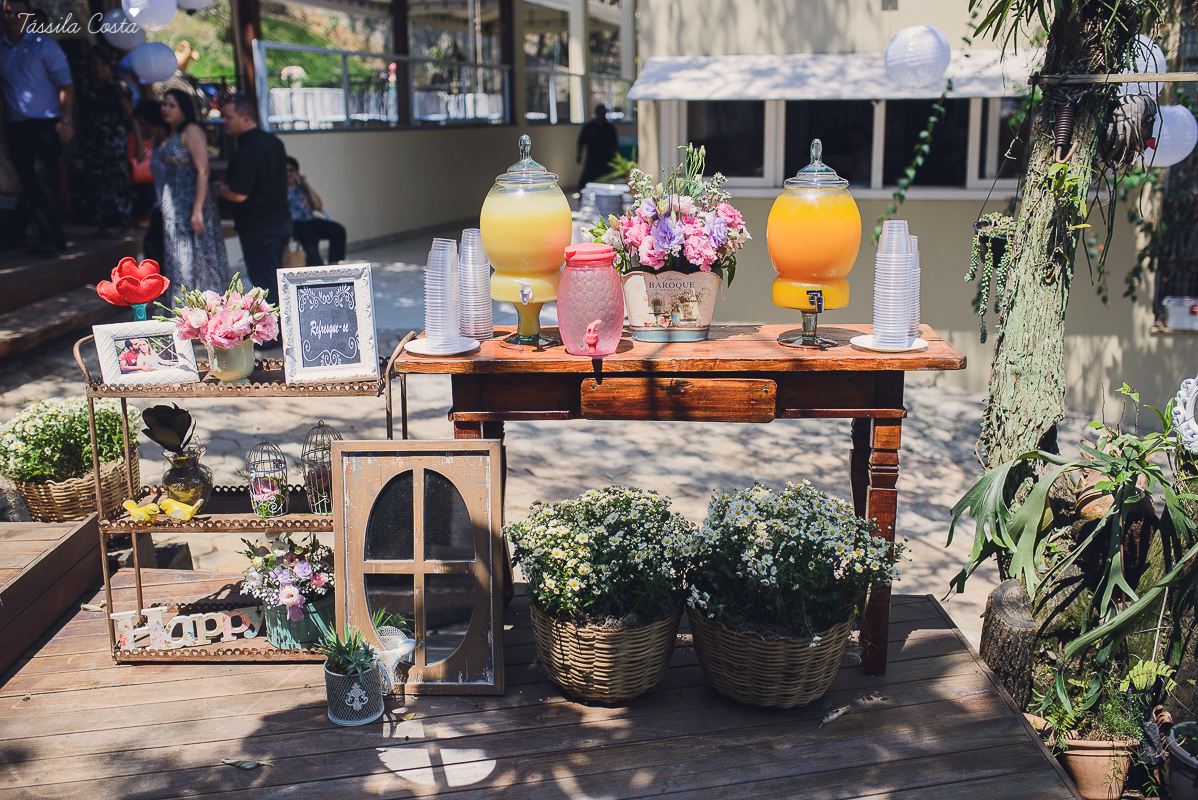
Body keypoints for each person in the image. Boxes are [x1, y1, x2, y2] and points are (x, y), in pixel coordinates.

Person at [0, 0, 73, 255]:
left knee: (46, 181)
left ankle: (52, 239)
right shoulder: (3, 48)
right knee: (28, 182)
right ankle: (47, 236)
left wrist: (66, 120)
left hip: (44, 123)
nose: (11, 16)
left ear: (28, 14)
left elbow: (66, 85)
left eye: (16, 12)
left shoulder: (45, 47)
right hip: (16, 124)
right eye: (7, 12)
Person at [215, 93, 290, 306]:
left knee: (265, 283)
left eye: (228, 117)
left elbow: (239, 195)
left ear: (245, 119)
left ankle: (275, 335)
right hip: (281, 221)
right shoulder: (274, 142)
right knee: (277, 279)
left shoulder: (245, 153)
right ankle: (282, 330)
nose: (224, 122)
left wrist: (220, 188)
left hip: (259, 226)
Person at [159, 87, 230, 300]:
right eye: (164, 104)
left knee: (199, 254)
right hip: (174, 202)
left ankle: (206, 305)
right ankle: (182, 305)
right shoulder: (170, 133)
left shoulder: (191, 130)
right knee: (179, 256)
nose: (165, 108)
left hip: (192, 199)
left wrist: (197, 209)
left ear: (184, 109)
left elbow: (203, 170)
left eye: (172, 105)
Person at [80, 45, 137, 238]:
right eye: (93, 65)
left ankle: (126, 222)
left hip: (114, 142)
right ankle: (105, 223)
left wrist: (137, 142)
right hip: (93, 141)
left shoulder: (118, 85)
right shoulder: (86, 84)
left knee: (118, 181)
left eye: (101, 65)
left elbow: (131, 116)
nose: (97, 69)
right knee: (97, 182)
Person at [286, 156, 346, 266]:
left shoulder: (302, 188)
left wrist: (306, 184)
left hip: (309, 219)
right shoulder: (279, 189)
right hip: (293, 222)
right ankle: (316, 265)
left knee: (338, 230)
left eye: (291, 170)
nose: (288, 173)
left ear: (297, 172)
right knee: (309, 233)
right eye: (285, 170)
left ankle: (334, 264)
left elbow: (317, 205)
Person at [132, 99, 168, 263]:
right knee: (151, 248)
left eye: (143, 123)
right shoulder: (154, 142)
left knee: (155, 248)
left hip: (175, 207)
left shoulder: (173, 142)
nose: (141, 128)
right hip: (159, 206)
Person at [575, 103, 619, 188]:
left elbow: (615, 145)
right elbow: (581, 142)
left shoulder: (609, 128)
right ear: (596, 114)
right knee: (583, 182)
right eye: (600, 113)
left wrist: (616, 159)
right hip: (592, 160)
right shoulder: (589, 127)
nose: (601, 116)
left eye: (603, 114)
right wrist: (579, 155)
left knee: (606, 181)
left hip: (606, 160)